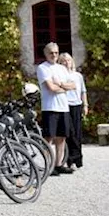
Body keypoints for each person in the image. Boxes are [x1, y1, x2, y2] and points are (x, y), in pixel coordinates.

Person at [37, 42, 76, 175]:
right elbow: (51, 88)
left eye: (56, 53)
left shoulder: (62, 68)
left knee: (62, 137)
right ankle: (48, 166)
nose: (54, 55)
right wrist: (64, 87)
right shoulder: (43, 68)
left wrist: (60, 84)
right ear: (45, 54)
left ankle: (59, 164)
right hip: (50, 107)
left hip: (63, 107)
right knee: (49, 138)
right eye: (51, 53)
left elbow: (73, 85)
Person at [59, 52, 87, 170]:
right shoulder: (60, 75)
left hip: (77, 105)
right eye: (64, 61)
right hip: (65, 105)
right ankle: (71, 159)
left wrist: (85, 105)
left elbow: (83, 91)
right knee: (70, 133)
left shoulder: (78, 76)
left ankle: (77, 159)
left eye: (68, 60)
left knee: (77, 132)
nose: (67, 63)